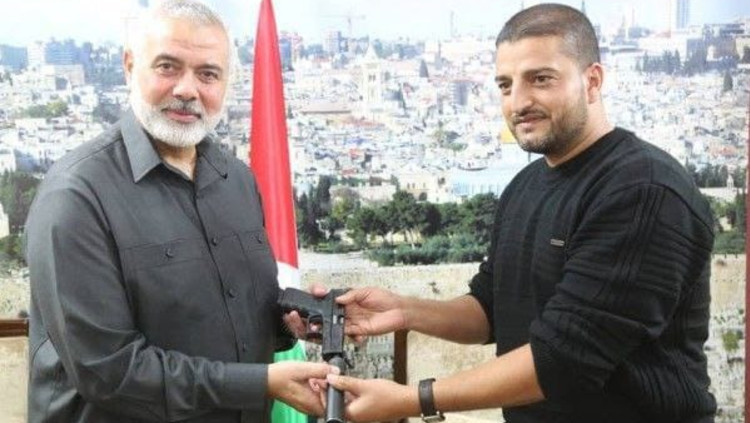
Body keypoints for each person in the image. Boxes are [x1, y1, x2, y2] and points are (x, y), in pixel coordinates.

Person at [323, 4, 716, 423]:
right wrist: (403, 311)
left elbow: (564, 360)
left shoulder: (643, 191)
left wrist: (413, 399)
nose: (519, 102)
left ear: (593, 81)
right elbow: (492, 309)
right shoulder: (525, 186)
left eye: (540, 79)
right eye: (505, 85)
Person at [24, 1, 334, 422]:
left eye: (208, 74)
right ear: (130, 66)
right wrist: (260, 383)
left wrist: (297, 317)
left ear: (226, 83)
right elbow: (109, 371)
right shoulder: (76, 196)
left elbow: (231, 310)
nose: (188, 90)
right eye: (168, 67)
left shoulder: (236, 180)